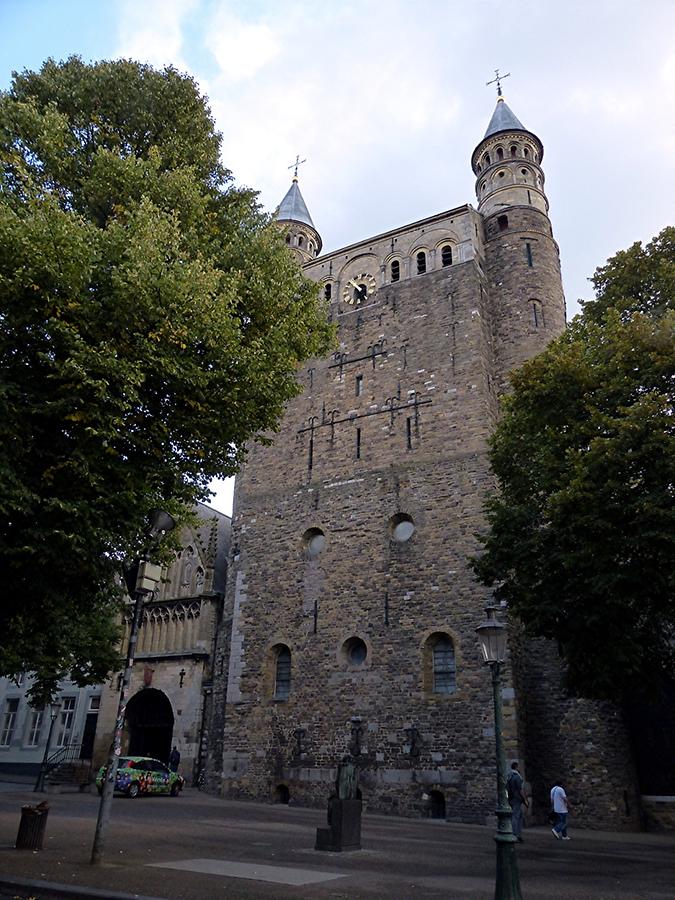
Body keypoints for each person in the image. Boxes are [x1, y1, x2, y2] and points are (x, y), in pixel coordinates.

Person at [506, 761, 529, 842]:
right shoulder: (517, 777)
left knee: (517, 816)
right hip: (517, 799)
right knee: (516, 817)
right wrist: (525, 800)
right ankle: (515, 834)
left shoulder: (509, 776)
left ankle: (517, 834)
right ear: (516, 767)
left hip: (511, 798)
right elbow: (520, 790)